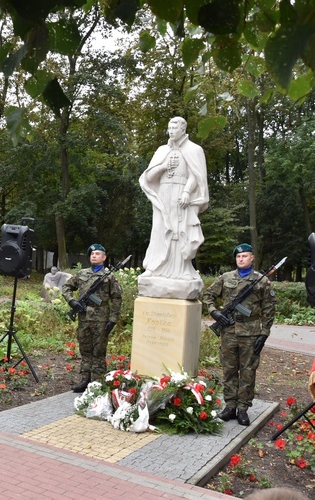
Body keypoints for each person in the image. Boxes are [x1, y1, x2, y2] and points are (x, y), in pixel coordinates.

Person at [202, 243, 276, 426]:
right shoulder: (226, 278)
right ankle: (230, 406)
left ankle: (243, 408)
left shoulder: (262, 281)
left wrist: (264, 333)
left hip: (250, 333)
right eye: (238, 257)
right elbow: (208, 296)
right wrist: (214, 312)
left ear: (252, 258)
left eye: (245, 256)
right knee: (228, 369)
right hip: (228, 331)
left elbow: (269, 309)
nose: (241, 259)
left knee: (248, 371)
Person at [138, 117, 209, 298]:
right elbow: (149, 177)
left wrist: (186, 191)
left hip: (182, 195)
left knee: (180, 231)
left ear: (183, 129)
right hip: (163, 195)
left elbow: (196, 175)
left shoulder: (194, 149)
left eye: (174, 128)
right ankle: (156, 268)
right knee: (160, 231)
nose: (170, 131)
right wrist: (162, 166)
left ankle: (182, 269)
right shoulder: (162, 150)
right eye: (169, 127)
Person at [63, 244, 123, 393]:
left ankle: (97, 382)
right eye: (92, 254)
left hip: (101, 319)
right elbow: (66, 287)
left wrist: (113, 319)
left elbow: (116, 298)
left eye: (98, 253)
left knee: (99, 351)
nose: (94, 256)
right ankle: (85, 380)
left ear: (104, 257)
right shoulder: (82, 274)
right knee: (85, 350)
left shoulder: (109, 276)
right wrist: (72, 301)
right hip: (84, 319)